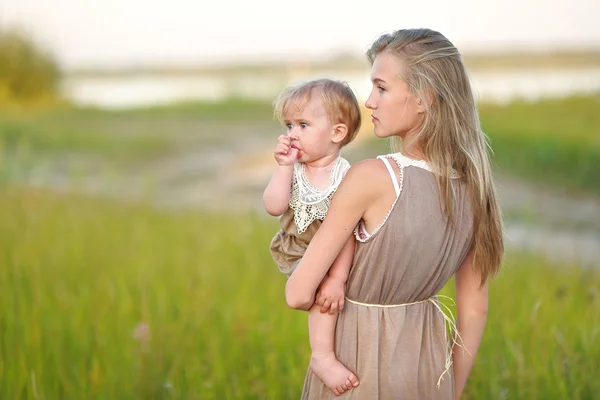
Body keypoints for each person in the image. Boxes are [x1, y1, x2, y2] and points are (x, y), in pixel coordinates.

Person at [285, 28, 504, 399]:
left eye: (381, 88)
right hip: (429, 372)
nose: (369, 101)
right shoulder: (475, 187)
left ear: (423, 98)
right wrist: (451, 389)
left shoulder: (372, 177)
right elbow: (474, 312)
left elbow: (298, 293)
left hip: (355, 372)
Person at [263, 78, 363, 395]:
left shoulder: (346, 176)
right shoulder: (294, 170)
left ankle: (324, 354)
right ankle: (322, 354)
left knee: (326, 292)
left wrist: (337, 278)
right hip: (298, 250)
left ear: (337, 133)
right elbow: (273, 206)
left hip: (336, 256)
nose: (292, 133)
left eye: (303, 125)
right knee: (311, 293)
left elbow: (347, 235)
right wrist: (283, 168)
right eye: (289, 124)